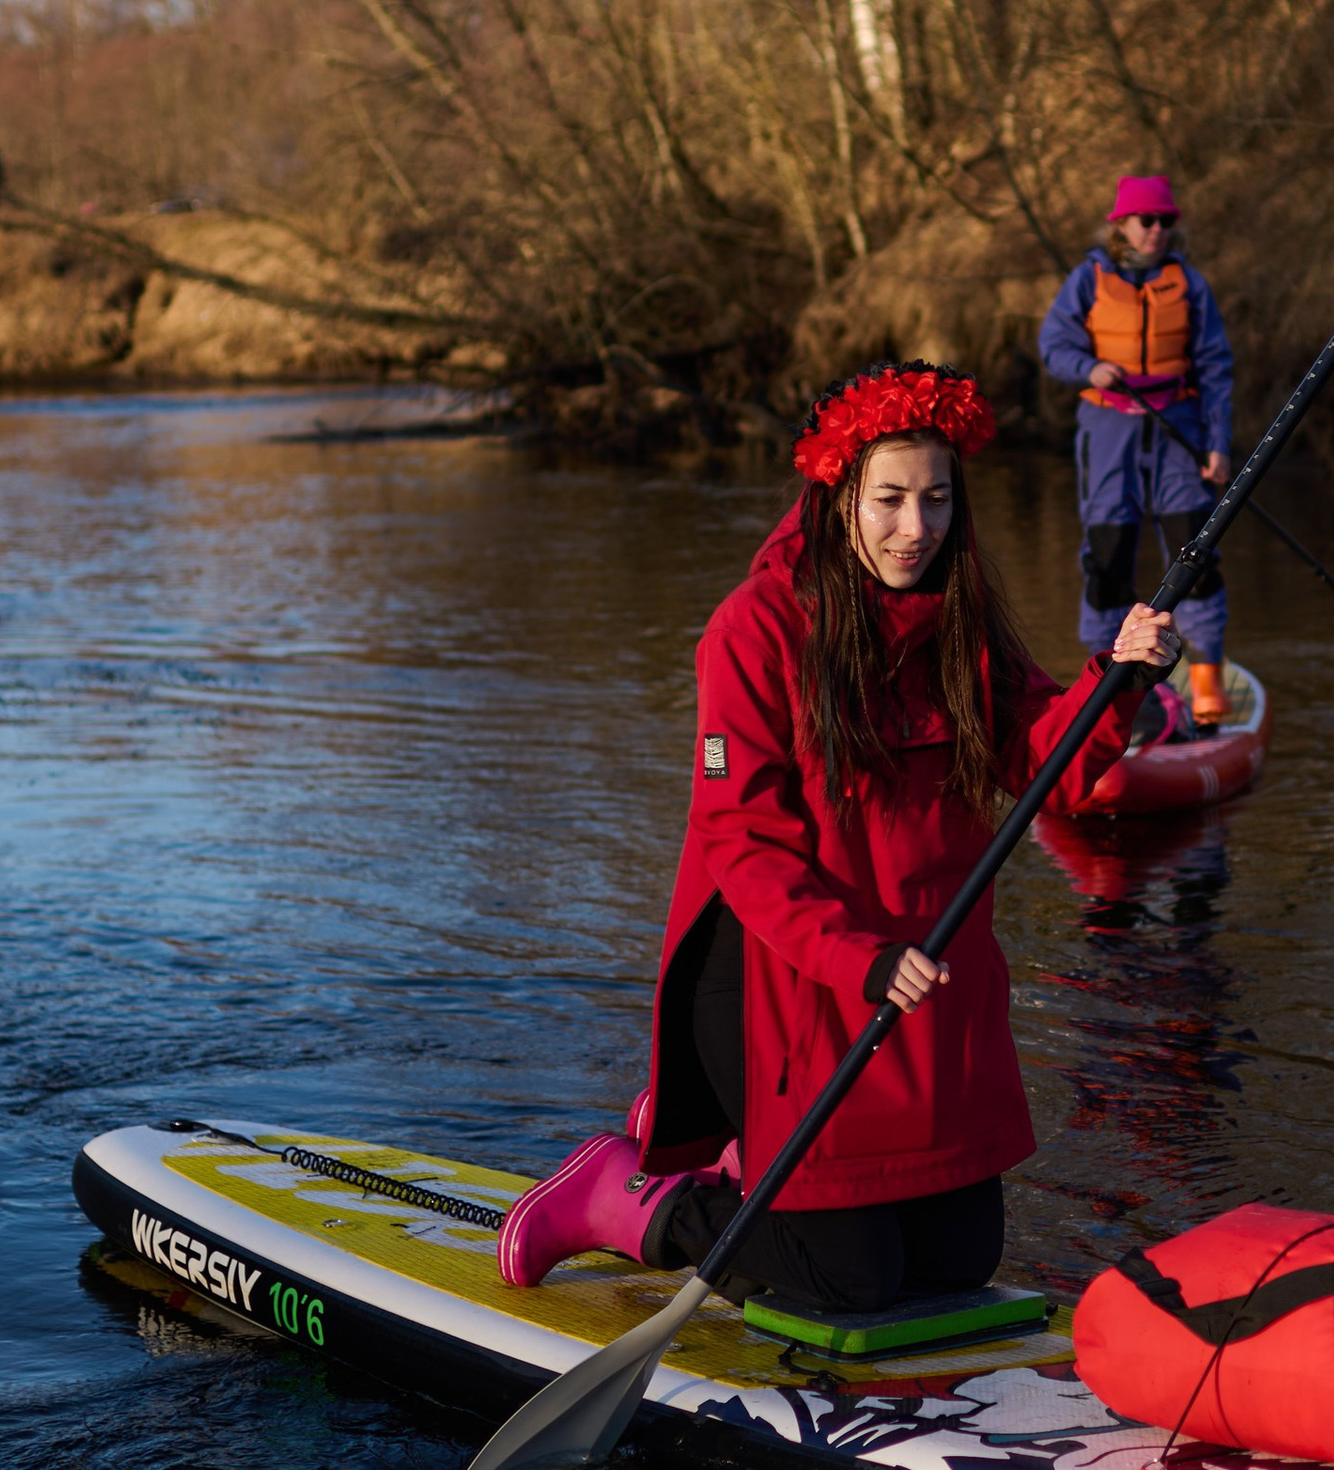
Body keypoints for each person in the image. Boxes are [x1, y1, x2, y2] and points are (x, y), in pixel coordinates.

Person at [496, 358, 1180, 1310]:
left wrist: (1118, 680)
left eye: (937, 500)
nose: (916, 529)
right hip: (797, 979)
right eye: (890, 499)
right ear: (838, 493)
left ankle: (749, 1161)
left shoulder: (963, 617)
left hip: (929, 985)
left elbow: (1042, 768)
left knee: (955, 1266)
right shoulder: (752, 631)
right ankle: (635, 1199)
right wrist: (857, 957)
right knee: (846, 1279)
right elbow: (742, 845)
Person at [1036, 168, 1239, 721]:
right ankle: (1106, 689)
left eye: (1165, 221)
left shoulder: (1190, 284)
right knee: (1108, 557)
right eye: (1146, 220)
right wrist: (1089, 365)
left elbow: (1216, 369)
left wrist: (1218, 443)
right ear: (1120, 226)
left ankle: (1206, 681)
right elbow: (1053, 345)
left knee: (1194, 552)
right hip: (1109, 430)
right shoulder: (1087, 279)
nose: (1156, 230)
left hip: (1179, 429)